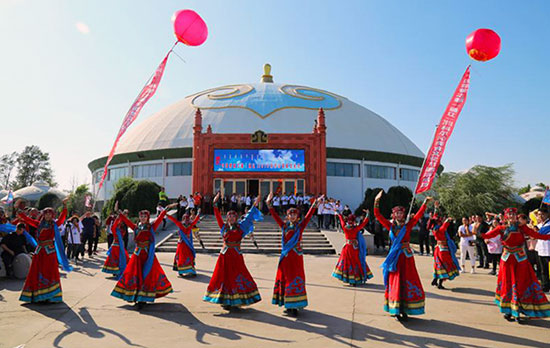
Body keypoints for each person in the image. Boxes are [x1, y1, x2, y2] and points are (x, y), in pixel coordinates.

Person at [482, 208, 550, 322]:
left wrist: (548, 236)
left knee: (521, 284)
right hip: (507, 260)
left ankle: (518, 310)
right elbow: (486, 236)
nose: (512, 216)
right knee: (507, 284)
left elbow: (536, 235)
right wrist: (478, 233)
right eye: (509, 214)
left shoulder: (522, 228)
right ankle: (508, 311)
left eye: (514, 214)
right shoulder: (501, 228)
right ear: (506, 216)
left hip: (520, 260)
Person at [374, 190, 431, 321]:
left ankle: (405, 309)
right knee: (395, 282)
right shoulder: (390, 226)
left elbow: (418, 215)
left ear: (403, 214)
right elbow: (377, 215)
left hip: (406, 257)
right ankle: (395, 308)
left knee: (407, 281)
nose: (399, 215)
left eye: (401, 213)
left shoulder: (408, 226)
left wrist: (425, 203)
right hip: (395, 258)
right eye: (397, 213)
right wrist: (376, 201)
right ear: (394, 215)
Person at [111, 203, 177, 308]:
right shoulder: (136, 228)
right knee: (134, 275)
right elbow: (127, 222)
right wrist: (119, 212)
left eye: (145, 216)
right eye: (141, 216)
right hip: (137, 256)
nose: (142, 218)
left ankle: (143, 299)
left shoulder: (151, 227)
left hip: (147, 256)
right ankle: (133, 296)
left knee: (147, 276)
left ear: (148, 218)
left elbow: (160, 218)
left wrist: (166, 209)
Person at [203, 193, 263, 310]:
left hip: (236, 256)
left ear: (236, 218)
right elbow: (217, 216)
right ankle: (225, 300)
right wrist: (215, 204)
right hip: (224, 256)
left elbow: (250, 216)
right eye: (229, 216)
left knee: (237, 277)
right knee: (224, 278)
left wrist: (255, 204)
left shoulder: (241, 227)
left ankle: (237, 300)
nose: (230, 218)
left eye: (233, 216)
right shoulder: (224, 227)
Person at [267, 192, 321, 316]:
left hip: (296, 257)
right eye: (290, 214)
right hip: (286, 257)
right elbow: (275, 216)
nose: (292, 216)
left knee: (296, 278)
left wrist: (314, 205)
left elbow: (308, 217)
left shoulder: (300, 227)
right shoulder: (284, 226)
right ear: (287, 216)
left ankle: (295, 305)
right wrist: (268, 204)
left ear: (297, 217)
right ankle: (288, 305)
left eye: (294, 214)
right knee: (286, 279)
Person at [17, 198, 71, 303]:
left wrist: (64, 206)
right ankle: (37, 296)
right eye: (46, 214)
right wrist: (19, 211)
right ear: (43, 215)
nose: (48, 216)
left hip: (49, 252)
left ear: (52, 215)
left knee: (49, 272)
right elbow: (28, 220)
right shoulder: (39, 224)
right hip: (39, 251)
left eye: (50, 214)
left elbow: (62, 218)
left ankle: (50, 296)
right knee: (36, 272)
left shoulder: (54, 225)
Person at [332, 210, 372, 286]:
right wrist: (367, 214)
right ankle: (356, 279)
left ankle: (349, 278)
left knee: (347, 263)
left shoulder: (345, 227)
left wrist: (339, 214)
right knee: (356, 262)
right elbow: (364, 222)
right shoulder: (356, 229)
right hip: (354, 248)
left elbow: (341, 220)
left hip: (347, 248)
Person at [166, 211, 201, 277]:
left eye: (187, 218)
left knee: (188, 256)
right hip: (183, 244)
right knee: (183, 257)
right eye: (185, 218)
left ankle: (189, 270)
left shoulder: (188, 225)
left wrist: (198, 214)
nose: (186, 220)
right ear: (183, 219)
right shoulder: (183, 224)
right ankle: (183, 271)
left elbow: (195, 220)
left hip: (186, 244)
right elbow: (174, 220)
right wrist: (166, 214)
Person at [430, 217, 461, 289]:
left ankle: (435, 279)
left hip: (438, 249)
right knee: (445, 265)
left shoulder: (434, 229)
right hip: (443, 250)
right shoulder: (439, 229)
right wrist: (448, 221)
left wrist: (436, 209)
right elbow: (444, 227)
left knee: (438, 264)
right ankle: (439, 283)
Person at [102, 209, 129, 277]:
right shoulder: (115, 229)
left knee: (123, 258)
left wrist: (121, 216)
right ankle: (115, 271)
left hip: (121, 245)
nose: (121, 223)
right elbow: (114, 226)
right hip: (116, 246)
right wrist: (118, 217)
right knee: (115, 259)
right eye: (120, 222)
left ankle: (121, 270)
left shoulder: (123, 229)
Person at [535, 206, 550, 292]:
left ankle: (546, 285)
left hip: (548, 250)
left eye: (542, 214)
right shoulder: (540, 224)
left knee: (548, 269)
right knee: (543, 269)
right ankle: (545, 285)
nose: (540, 216)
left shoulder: (548, 224)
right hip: (541, 250)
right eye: (539, 214)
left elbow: (540, 233)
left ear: (547, 214)